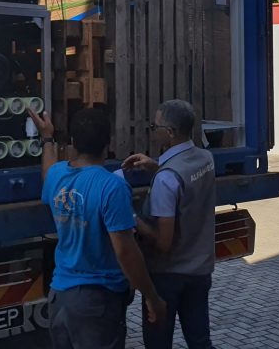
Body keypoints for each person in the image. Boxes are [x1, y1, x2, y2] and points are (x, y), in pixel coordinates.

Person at [29, 107, 165, 349]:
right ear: (107, 143)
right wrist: (152, 297)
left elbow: (48, 172)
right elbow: (126, 252)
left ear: (72, 143)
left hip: (60, 298)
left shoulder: (57, 177)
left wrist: (47, 139)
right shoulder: (111, 187)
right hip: (97, 303)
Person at [121, 100, 217, 349]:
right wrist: (158, 166)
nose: (154, 130)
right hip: (199, 271)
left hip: (168, 276)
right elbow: (187, 181)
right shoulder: (206, 159)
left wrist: (131, 218)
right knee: (200, 341)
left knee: (158, 343)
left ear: (171, 132)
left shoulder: (166, 180)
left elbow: (163, 243)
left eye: (156, 125)